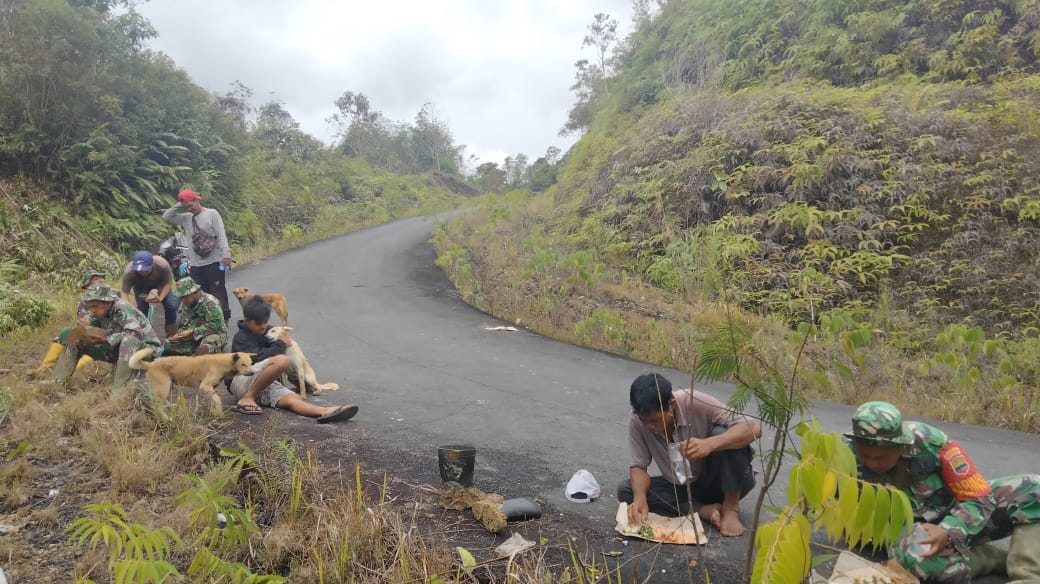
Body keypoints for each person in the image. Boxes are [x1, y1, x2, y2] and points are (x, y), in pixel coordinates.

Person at [847, 401, 1040, 583]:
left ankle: (1029, 575)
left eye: (881, 457)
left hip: (953, 513)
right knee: (919, 558)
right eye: (865, 455)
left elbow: (979, 497)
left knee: (1033, 489)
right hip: (905, 532)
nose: (872, 463)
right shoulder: (843, 454)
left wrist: (949, 530)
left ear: (900, 445)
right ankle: (987, 558)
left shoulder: (933, 444)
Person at [617, 373, 761, 536]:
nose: (649, 426)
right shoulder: (637, 420)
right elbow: (639, 466)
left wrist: (709, 444)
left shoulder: (694, 402)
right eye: (644, 421)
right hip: (683, 488)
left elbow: (753, 428)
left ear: (671, 404)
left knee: (724, 433)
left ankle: (730, 508)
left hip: (721, 482)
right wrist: (640, 499)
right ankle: (702, 510)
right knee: (627, 490)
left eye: (655, 420)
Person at [227, 296, 358, 423]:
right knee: (281, 360)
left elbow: (285, 342)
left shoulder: (269, 331)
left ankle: (326, 411)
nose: (263, 326)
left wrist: (282, 344)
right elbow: (255, 359)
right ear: (247, 320)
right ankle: (248, 398)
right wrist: (281, 345)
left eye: (265, 321)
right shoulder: (241, 337)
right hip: (241, 381)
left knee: (294, 399)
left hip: (264, 382)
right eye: (258, 323)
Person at [53, 284, 161, 391]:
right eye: (90, 307)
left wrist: (104, 339)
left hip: (146, 350)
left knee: (128, 340)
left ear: (107, 303)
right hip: (119, 349)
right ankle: (58, 382)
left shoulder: (122, 307)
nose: (92, 310)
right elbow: (97, 331)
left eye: (95, 306)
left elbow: (134, 335)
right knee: (75, 336)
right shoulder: (99, 313)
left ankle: (118, 391)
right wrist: (85, 328)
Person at [162, 189, 232, 322]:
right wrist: (180, 204)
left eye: (190, 205)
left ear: (197, 200)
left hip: (215, 260)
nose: (189, 209)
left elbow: (221, 234)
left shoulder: (212, 214)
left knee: (217, 290)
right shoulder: (186, 218)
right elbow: (166, 217)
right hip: (195, 264)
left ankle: (223, 318)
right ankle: (207, 319)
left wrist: (226, 255)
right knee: (201, 293)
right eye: (186, 207)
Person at [32, 270, 105, 377]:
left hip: (109, 336)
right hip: (91, 333)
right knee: (67, 332)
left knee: (92, 345)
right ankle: (46, 367)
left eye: (102, 278)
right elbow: (83, 324)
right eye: (96, 279)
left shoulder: (114, 296)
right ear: (87, 285)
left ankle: (72, 370)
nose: (101, 280)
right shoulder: (84, 301)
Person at [161, 277, 227, 356]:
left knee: (204, 348)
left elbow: (215, 326)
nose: (183, 300)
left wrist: (192, 332)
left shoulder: (210, 302)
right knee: (168, 345)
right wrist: (178, 335)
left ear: (195, 292)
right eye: (181, 298)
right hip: (192, 336)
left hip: (214, 334)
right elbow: (183, 325)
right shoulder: (186, 304)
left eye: (185, 297)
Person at [120, 250, 177, 338]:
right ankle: (145, 334)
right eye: (139, 270)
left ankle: (171, 334)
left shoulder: (162, 265)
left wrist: (161, 298)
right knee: (142, 310)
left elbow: (168, 283)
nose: (141, 272)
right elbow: (124, 293)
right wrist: (128, 309)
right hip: (141, 288)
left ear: (152, 264)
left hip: (161, 285)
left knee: (171, 306)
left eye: (144, 270)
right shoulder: (129, 271)